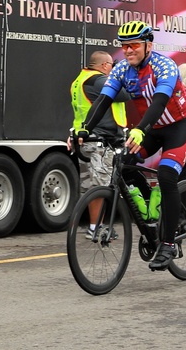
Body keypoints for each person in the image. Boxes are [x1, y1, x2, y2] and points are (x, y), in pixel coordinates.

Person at [82, 20, 186, 271]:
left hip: (179, 126)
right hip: (152, 129)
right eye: (124, 46)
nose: (128, 50)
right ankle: (150, 212)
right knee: (123, 163)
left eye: (134, 44)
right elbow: (103, 100)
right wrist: (84, 129)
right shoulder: (122, 69)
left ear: (148, 45)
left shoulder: (164, 65)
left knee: (166, 174)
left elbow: (159, 101)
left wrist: (140, 129)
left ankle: (167, 242)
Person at [68, 51, 130, 238]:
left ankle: (95, 225)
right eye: (111, 65)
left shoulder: (79, 80)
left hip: (85, 140)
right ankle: (96, 228)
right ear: (104, 66)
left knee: (90, 186)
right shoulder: (99, 81)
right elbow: (124, 95)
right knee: (100, 186)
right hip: (100, 140)